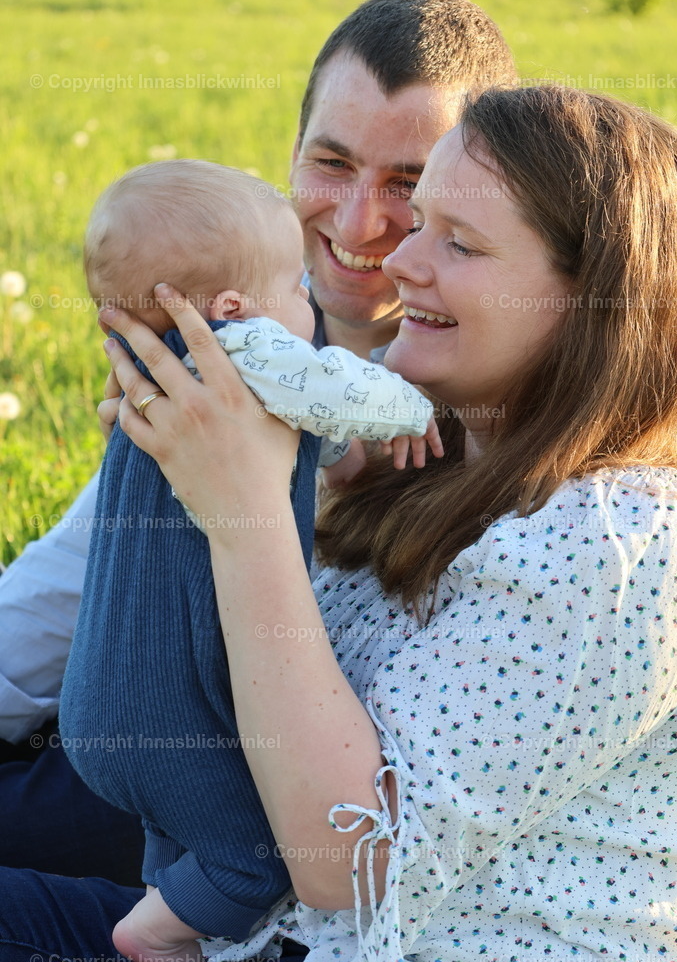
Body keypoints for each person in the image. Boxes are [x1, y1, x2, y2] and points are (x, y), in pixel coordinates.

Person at [1, 84, 677, 962]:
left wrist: (244, 511)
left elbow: (346, 863)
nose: (400, 260)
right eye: (420, 222)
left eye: (459, 242)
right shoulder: (439, 461)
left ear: (595, 304)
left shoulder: (617, 547)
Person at [0, 0, 517, 884]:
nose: (358, 223)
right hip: (132, 722)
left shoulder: (479, 388)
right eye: (331, 163)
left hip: (277, 811)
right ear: (292, 151)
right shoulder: (235, 325)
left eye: (407, 184)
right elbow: (76, 574)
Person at [58, 158, 440, 962]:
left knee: (187, 828)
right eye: (296, 288)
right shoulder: (245, 348)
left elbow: (306, 428)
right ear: (233, 309)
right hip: (170, 713)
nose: (309, 305)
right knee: (253, 859)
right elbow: (334, 388)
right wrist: (408, 408)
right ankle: (152, 936)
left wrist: (338, 454)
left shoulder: (162, 381)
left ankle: (167, 903)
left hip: (99, 704)